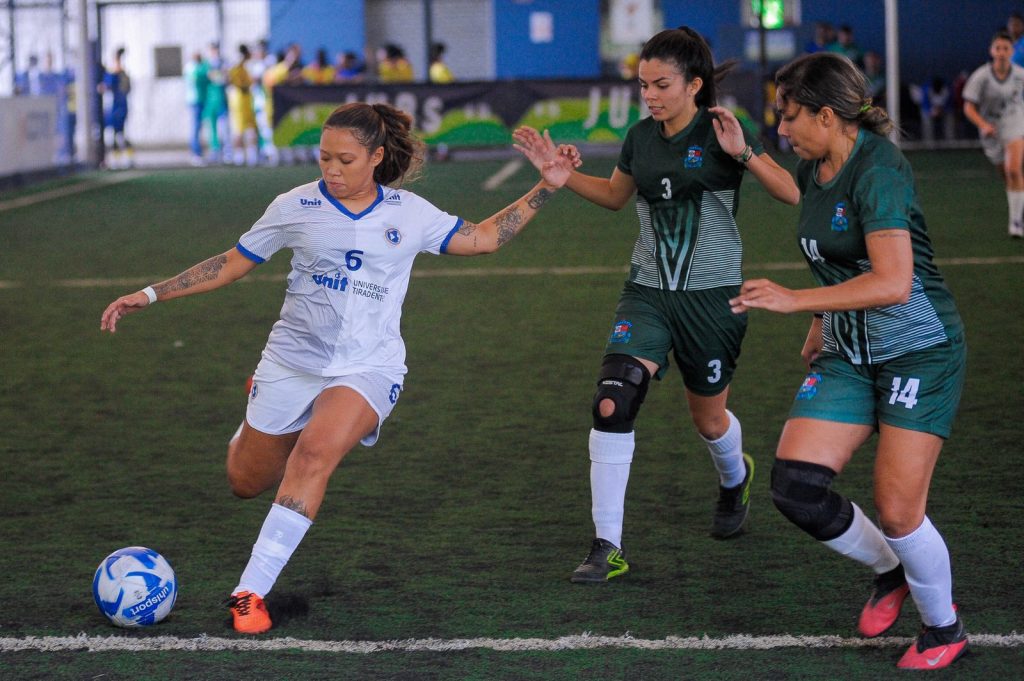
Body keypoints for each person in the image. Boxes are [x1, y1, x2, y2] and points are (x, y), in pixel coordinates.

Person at [99, 101, 572, 635]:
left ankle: (248, 593)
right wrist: (151, 294)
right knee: (244, 481)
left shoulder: (409, 212)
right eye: (324, 158)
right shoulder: (292, 205)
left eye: (345, 160)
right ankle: (258, 408)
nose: (331, 170)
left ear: (375, 157)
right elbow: (232, 262)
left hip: (370, 367)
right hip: (290, 362)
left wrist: (548, 186)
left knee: (315, 452)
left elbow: (485, 237)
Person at [513, 26, 799, 584]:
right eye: (644, 84)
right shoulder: (640, 137)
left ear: (695, 84)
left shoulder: (722, 131)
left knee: (710, 420)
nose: (649, 94)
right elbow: (619, 197)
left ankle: (734, 476)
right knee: (612, 402)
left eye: (661, 84)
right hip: (647, 292)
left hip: (713, 299)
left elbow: (789, 192)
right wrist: (563, 178)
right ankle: (606, 546)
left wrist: (747, 155)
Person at [730, 51, 968, 671]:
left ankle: (944, 629)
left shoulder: (880, 170)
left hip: (918, 350)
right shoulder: (816, 163)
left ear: (828, 116)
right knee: (796, 489)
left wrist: (796, 301)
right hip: (850, 350)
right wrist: (818, 320)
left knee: (897, 510)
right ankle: (890, 572)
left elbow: (892, 281)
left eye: (788, 115)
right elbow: (830, 250)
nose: (780, 128)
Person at [962, 31, 1024, 238]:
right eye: (998, 48)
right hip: (990, 128)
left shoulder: (1019, 75)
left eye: (1005, 48)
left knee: (1014, 169)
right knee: (1006, 174)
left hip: (1014, 122)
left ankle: (1016, 222)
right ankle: (1017, 206)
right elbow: (968, 107)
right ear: (991, 51)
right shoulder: (981, 76)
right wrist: (984, 125)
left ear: (1011, 51)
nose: (1001, 52)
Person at [97, 47, 133, 169]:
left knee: (119, 133)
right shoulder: (118, 73)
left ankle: (126, 157)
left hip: (118, 107)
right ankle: (118, 158)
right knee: (116, 133)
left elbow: (106, 87)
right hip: (115, 107)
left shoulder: (119, 74)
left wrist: (103, 87)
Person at [228, 44, 259, 166]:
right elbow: (234, 81)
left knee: (251, 128)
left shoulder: (248, 66)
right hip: (240, 100)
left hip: (247, 99)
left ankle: (252, 155)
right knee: (239, 129)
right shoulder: (238, 66)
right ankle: (239, 156)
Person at [184, 51, 209, 165]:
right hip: (195, 101)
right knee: (195, 127)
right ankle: (195, 153)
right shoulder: (191, 68)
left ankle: (197, 152)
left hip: (200, 100)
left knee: (198, 127)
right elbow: (197, 79)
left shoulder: (199, 67)